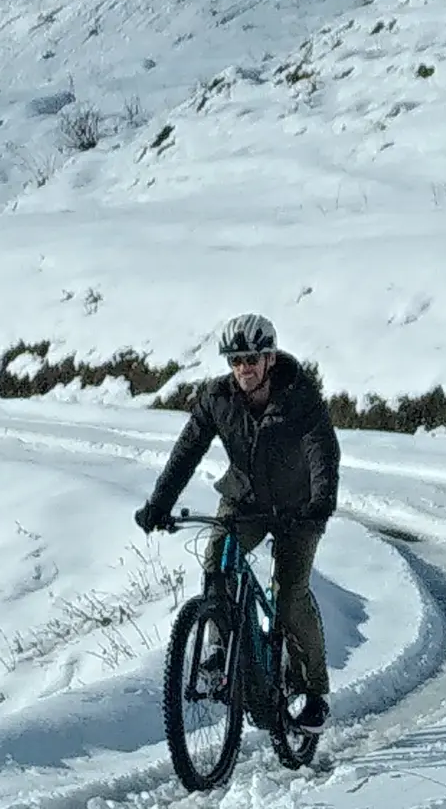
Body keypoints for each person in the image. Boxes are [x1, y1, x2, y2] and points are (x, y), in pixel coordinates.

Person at [134, 313, 341, 732]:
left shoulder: (299, 396)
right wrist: (159, 502)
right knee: (217, 565)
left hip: (298, 509)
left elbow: (322, 449)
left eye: (250, 359)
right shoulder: (219, 399)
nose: (243, 368)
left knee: (289, 596)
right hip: (243, 502)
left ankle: (313, 692)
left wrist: (321, 501)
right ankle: (219, 650)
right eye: (235, 360)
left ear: (268, 358)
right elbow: (187, 450)